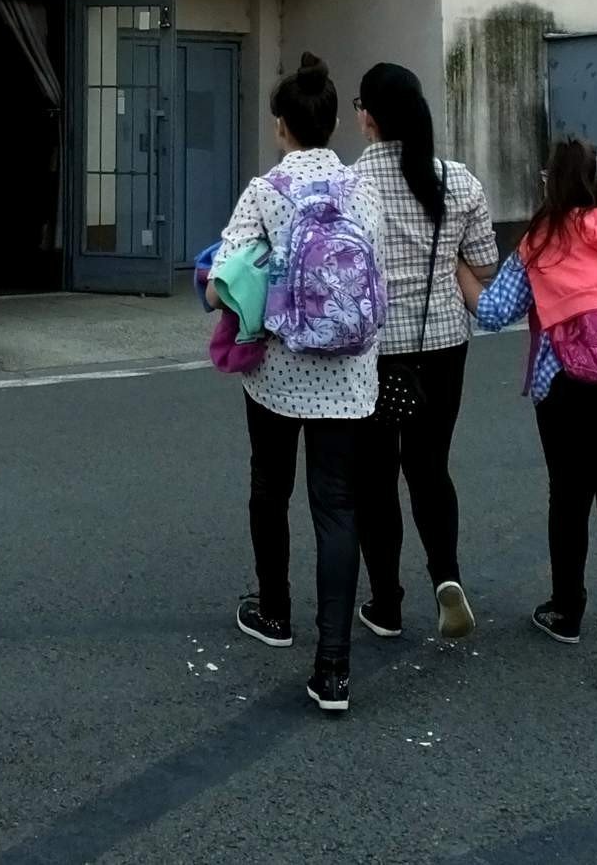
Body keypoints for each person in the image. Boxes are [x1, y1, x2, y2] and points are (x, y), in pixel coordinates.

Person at [459, 137, 597, 680]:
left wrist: (458, 266)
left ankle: (567, 610)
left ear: (557, 182)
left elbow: (493, 312)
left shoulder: (543, 239)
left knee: (570, 497)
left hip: (565, 390)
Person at [212, 53, 385, 714]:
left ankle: (275, 609)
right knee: (337, 507)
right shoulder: (360, 188)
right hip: (349, 371)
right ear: (336, 121)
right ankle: (335, 668)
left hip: (280, 372)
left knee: (270, 486)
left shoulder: (267, 190)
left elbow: (224, 275)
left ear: (281, 125)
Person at [349, 63, 499, 641]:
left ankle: (385, 602)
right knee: (430, 466)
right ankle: (447, 578)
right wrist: (446, 263)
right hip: (442, 345)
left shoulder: (351, 184)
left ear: (369, 117)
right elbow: (484, 265)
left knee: (376, 476)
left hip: (373, 352)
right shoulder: (457, 181)